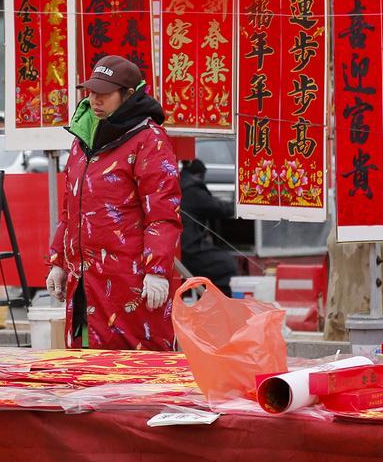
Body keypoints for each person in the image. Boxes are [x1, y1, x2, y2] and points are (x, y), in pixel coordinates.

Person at [46, 54, 182, 351]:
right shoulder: (82, 139)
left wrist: (157, 271)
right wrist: (58, 261)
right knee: (84, 372)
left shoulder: (149, 140)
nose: (95, 99)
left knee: (134, 375)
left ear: (128, 95)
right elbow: (70, 210)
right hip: (83, 281)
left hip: (130, 282)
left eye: (105, 93)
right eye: (92, 91)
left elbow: (162, 213)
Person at [177, 159, 239, 298]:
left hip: (181, 248)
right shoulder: (192, 190)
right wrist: (240, 206)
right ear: (199, 174)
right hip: (189, 250)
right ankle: (221, 308)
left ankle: (207, 302)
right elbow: (219, 208)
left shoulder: (181, 185)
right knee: (226, 266)